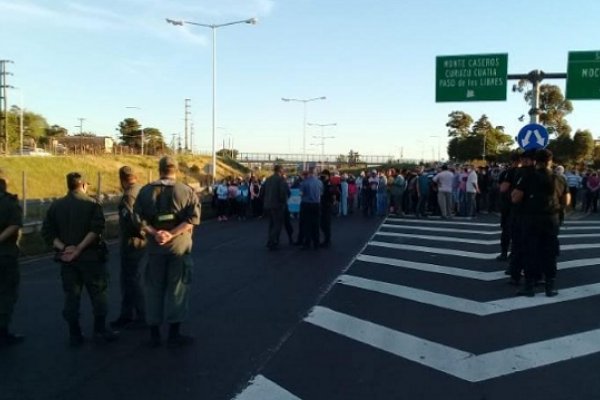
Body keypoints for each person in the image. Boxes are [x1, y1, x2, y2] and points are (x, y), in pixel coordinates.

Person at [41, 172, 118, 346]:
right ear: (83, 185)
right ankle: (100, 330)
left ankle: (74, 333)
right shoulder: (91, 204)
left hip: (67, 259)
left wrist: (65, 248)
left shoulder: (56, 206)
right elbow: (96, 229)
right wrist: (79, 248)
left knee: (71, 296)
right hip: (90, 257)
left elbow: (47, 232)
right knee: (98, 293)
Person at [134, 156, 201, 347]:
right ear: (175, 170)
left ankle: (154, 334)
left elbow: (138, 219)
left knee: (153, 289)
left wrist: (156, 233)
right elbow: (192, 219)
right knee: (177, 288)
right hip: (178, 247)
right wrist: (171, 234)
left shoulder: (145, 191)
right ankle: (174, 333)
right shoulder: (186, 191)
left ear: (159, 169)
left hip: (155, 249)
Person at [512, 149, 569, 297]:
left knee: (530, 251)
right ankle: (550, 287)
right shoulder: (560, 178)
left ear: (535, 161)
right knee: (550, 253)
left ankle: (529, 286)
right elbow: (567, 200)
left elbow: (516, 197)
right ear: (551, 161)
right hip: (551, 220)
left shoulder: (528, 176)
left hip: (531, 219)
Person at [110, 166, 147, 330]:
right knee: (131, 278)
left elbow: (133, 221)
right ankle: (127, 313)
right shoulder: (143, 190)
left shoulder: (128, 196)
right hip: (143, 241)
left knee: (130, 279)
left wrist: (141, 232)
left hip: (132, 242)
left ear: (122, 179)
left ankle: (141, 315)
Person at [0, 170, 24, 347]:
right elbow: (15, 224)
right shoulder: (9, 202)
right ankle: (3, 332)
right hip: (5, 254)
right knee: (6, 293)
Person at [496, 152, 520, 261]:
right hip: (520, 206)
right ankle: (514, 253)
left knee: (506, 230)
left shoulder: (507, 173)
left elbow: (502, 188)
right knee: (518, 232)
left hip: (507, 205)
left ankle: (504, 253)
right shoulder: (526, 173)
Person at [262, 165, 290, 251]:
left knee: (271, 224)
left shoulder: (268, 179)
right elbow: (284, 193)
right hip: (278, 205)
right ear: (280, 170)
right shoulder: (281, 180)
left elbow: (262, 191)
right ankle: (272, 241)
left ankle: (271, 240)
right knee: (277, 224)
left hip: (268, 205)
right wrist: (283, 201)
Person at [299, 167, 323, 249]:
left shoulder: (304, 182)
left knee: (307, 225)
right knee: (316, 224)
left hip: (306, 204)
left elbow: (301, 194)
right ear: (315, 173)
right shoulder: (320, 182)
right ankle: (316, 243)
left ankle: (307, 243)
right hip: (316, 204)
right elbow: (321, 193)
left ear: (309, 173)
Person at [320, 170, 334, 247]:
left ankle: (327, 240)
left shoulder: (329, 184)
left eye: (324, 175)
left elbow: (332, 194)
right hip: (322, 205)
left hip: (327, 205)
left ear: (328, 176)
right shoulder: (322, 183)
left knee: (326, 224)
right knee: (322, 223)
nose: (322, 177)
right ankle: (326, 239)